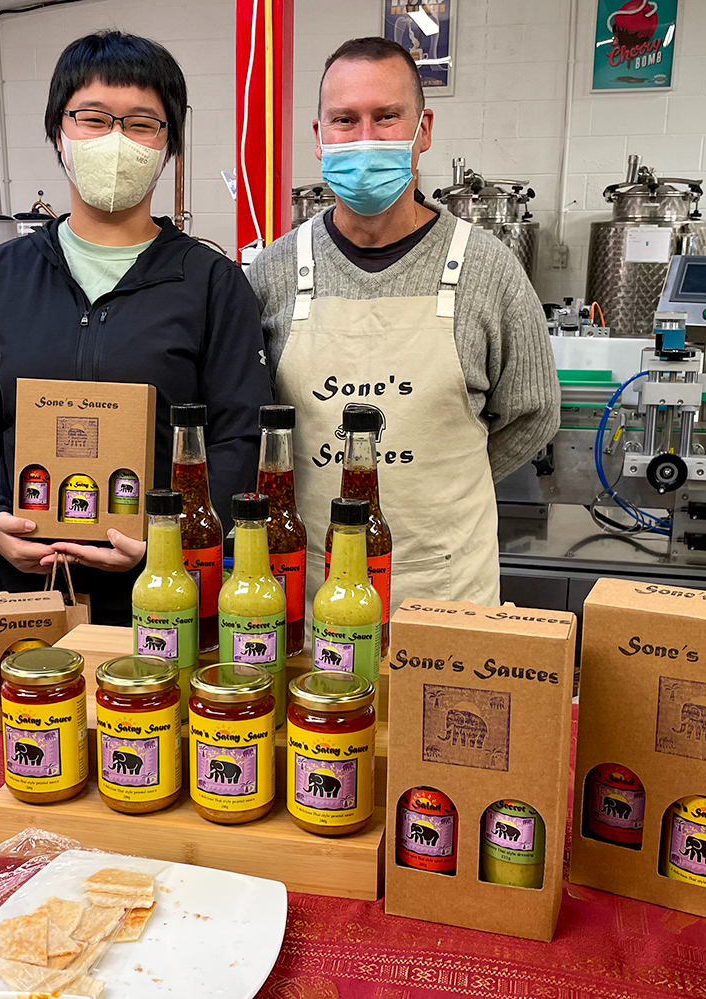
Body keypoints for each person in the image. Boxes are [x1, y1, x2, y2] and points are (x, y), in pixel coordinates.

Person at [0, 30, 272, 624]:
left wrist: (172, 542)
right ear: (58, 132)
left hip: (169, 595)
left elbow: (240, 436)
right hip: (33, 590)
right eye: (92, 118)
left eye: (142, 123)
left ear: (168, 143)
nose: (116, 140)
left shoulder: (210, 282)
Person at [248, 37, 559, 611]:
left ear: (424, 129)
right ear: (318, 136)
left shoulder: (488, 267)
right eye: (344, 120)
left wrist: (445, 484)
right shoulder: (273, 270)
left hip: (445, 584)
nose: (364, 138)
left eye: (387, 117)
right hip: (310, 582)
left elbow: (532, 413)